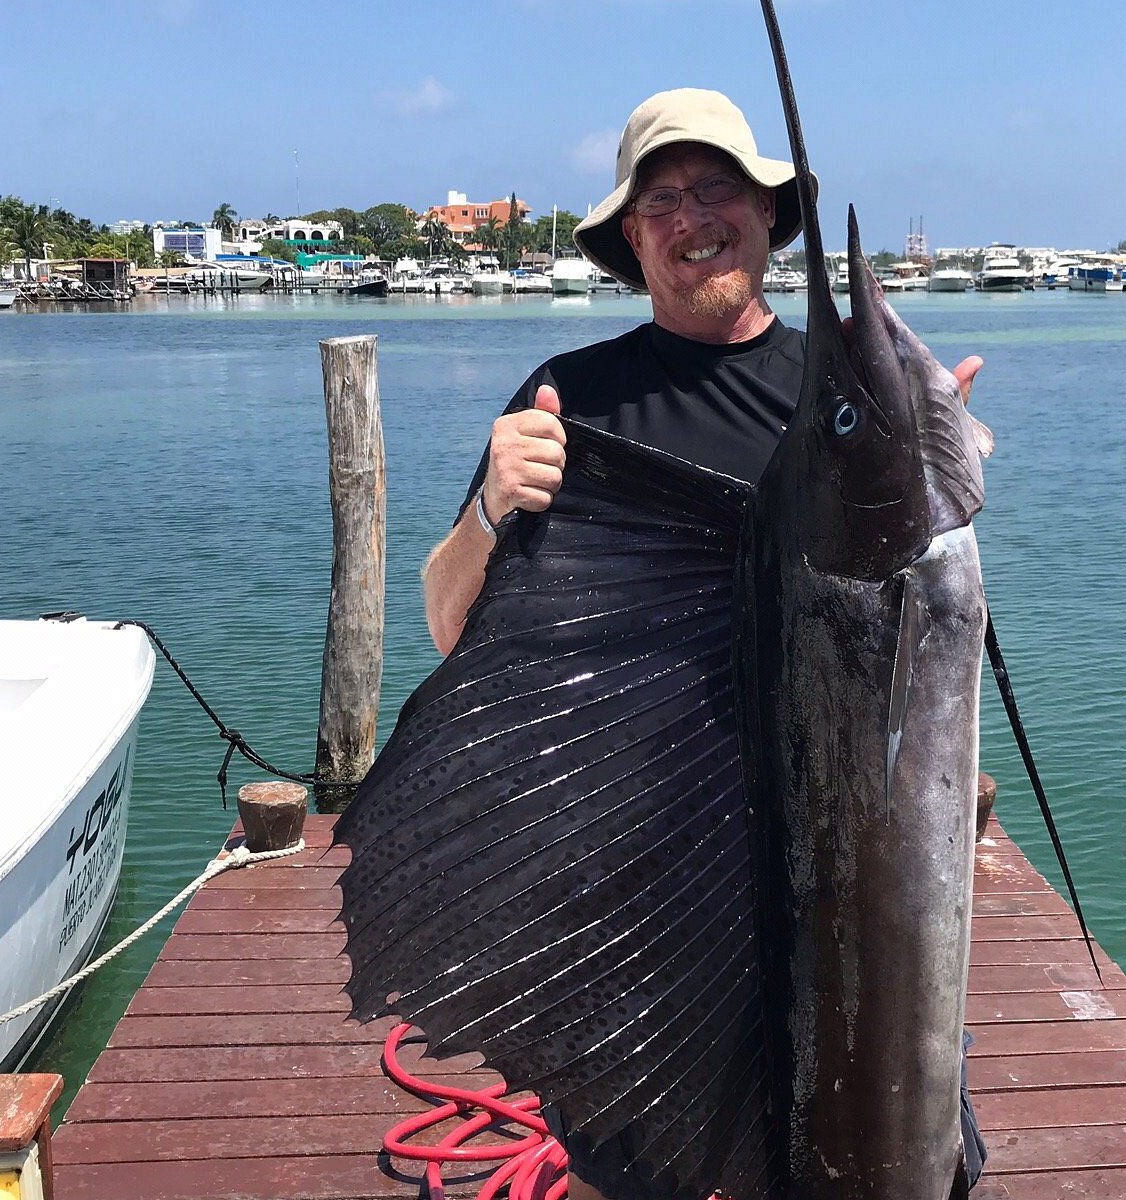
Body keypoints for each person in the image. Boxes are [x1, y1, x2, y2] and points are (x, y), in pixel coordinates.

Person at [420, 87, 984, 1200]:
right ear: (632, 240)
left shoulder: (827, 391)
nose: (693, 218)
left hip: (842, 863)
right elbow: (448, 627)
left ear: (768, 212)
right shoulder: (570, 400)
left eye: (715, 187)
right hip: (646, 886)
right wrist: (491, 509)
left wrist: (937, 475)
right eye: (662, 200)